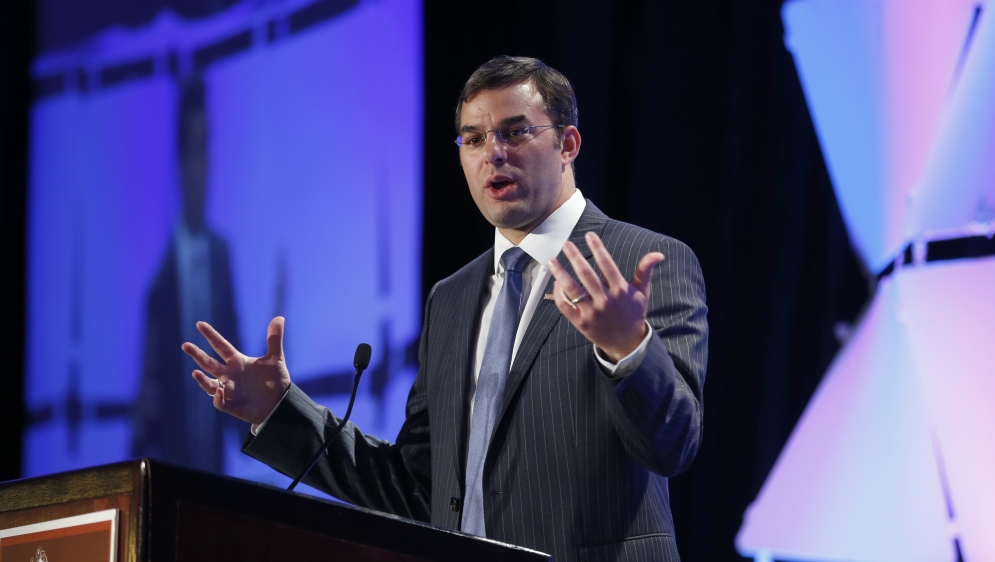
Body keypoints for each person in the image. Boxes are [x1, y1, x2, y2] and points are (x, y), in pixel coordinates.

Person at [181, 56, 707, 561]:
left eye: (515, 131)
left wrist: (626, 347)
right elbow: (416, 488)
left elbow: (674, 445)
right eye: (474, 138)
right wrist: (279, 411)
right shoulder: (452, 298)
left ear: (568, 144)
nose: (492, 153)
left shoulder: (641, 262)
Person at [132, 74, 242, 473]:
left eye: (208, 149)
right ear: (180, 163)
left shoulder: (221, 256)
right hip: (170, 473)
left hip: (216, 477)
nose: (205, 166)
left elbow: (238, 363)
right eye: (196, 151)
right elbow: (147, 401)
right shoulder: (159, 280)